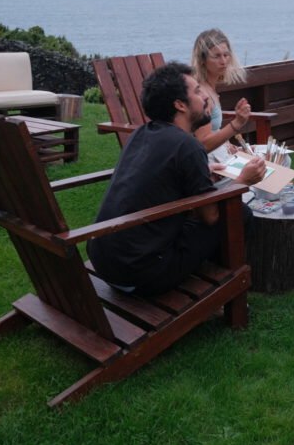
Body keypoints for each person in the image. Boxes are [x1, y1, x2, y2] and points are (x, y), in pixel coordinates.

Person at [87, 62, 265, 296]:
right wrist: (242, 180)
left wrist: (203, 169)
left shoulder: (142, 133)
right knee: (239, 213)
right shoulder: (187, 146)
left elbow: (158, 177)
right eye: (198, 92)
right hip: (141, 275)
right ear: (180, 105)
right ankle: (222, 291)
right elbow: (210, 217)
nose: (205, 98)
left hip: (106, 263)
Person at [191, 28, 251, 163]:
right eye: (216, 56)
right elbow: (203, 144)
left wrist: (227, 143)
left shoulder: (210, 88)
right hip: (210, 162)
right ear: (202, 59)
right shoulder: (201, 94)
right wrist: (237, 123)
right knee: (267, 168)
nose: (223, 61)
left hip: (220, 153)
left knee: (281, 159)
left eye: (226, 55)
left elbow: (214, 130)